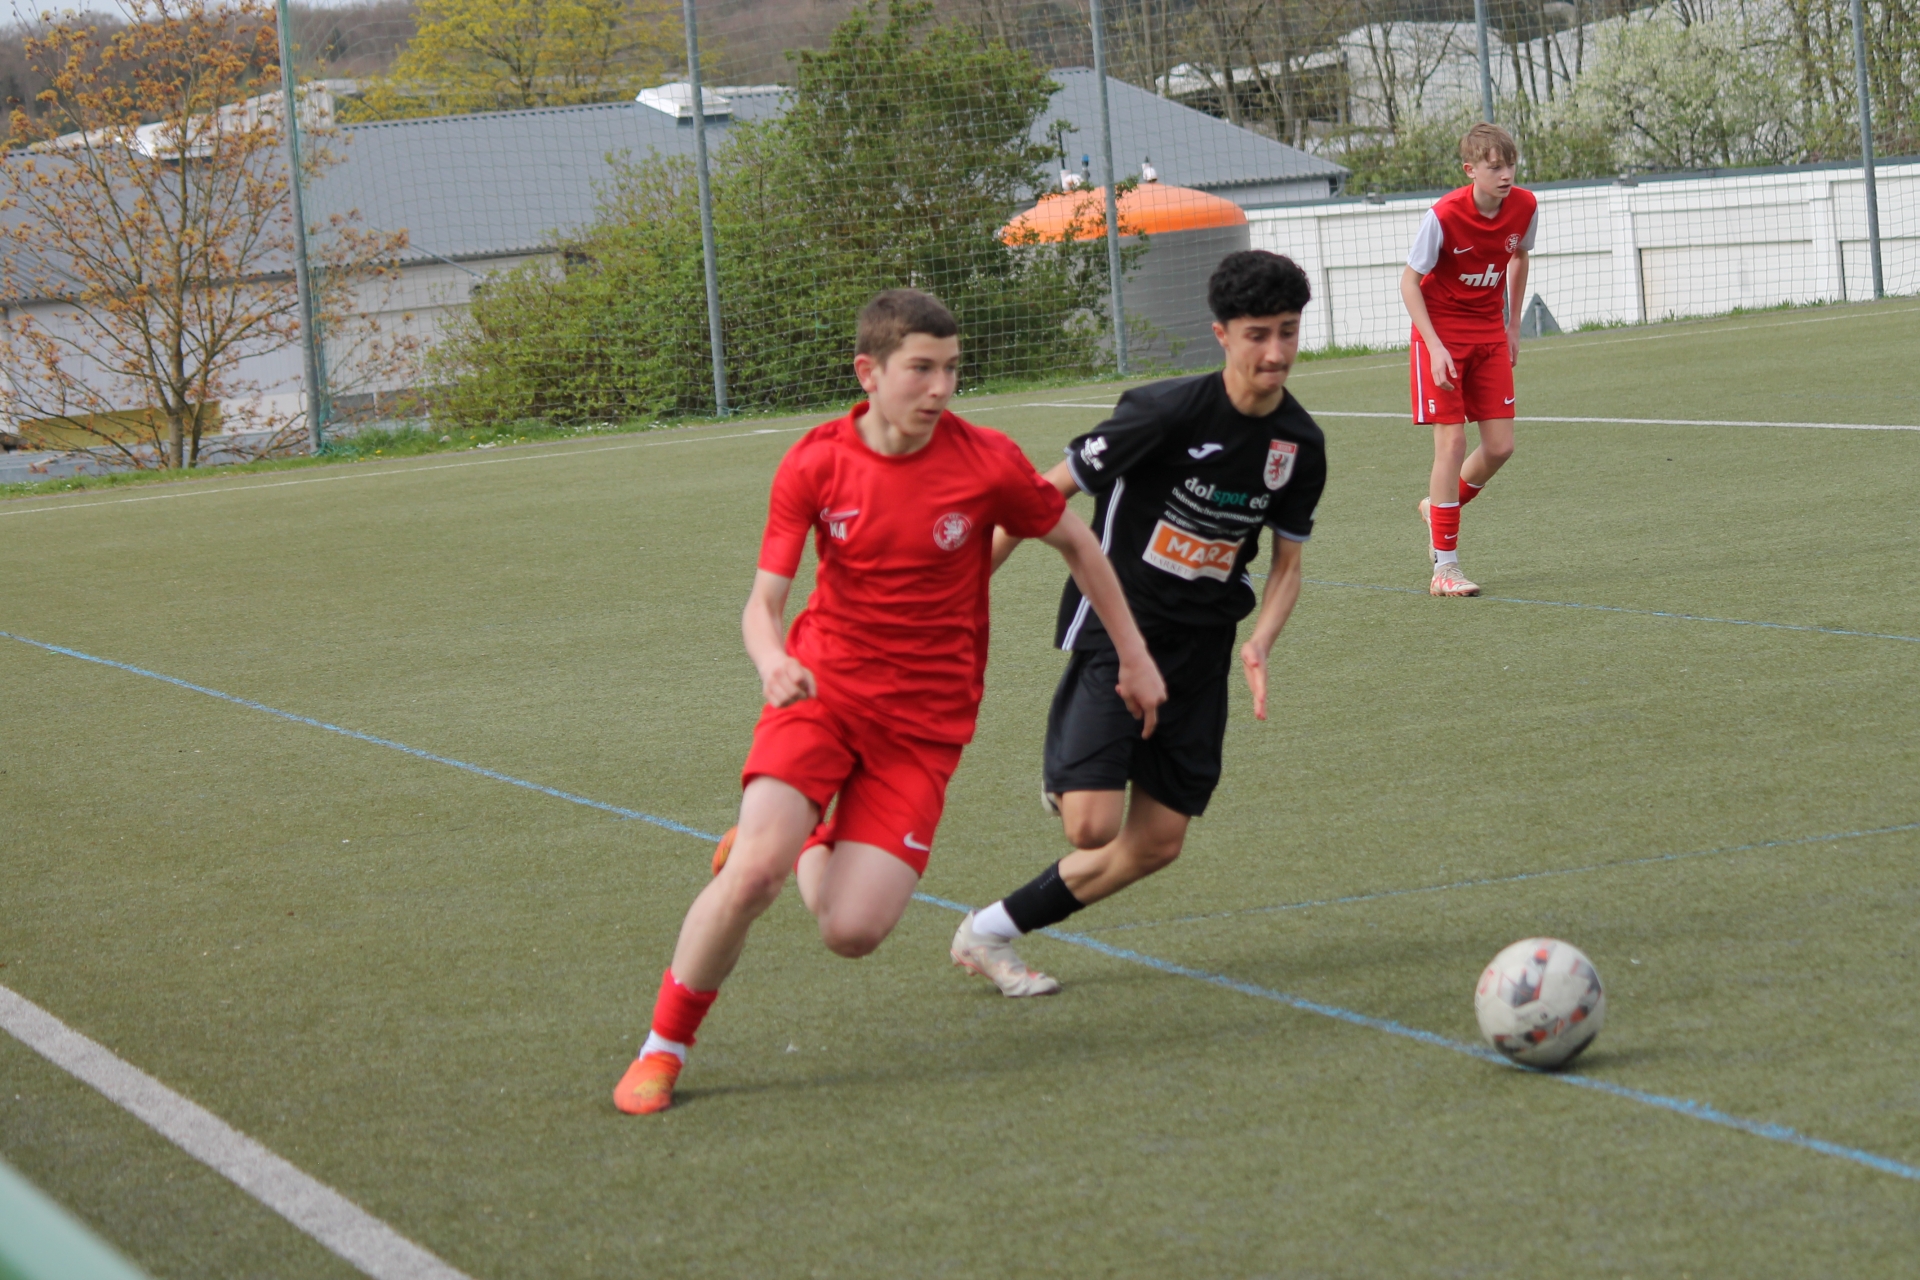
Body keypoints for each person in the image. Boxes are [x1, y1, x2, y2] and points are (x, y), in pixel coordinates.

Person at [613, 289, 1166, 1115]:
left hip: (926, 729)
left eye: (951, 369)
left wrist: (1134, 654)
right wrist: (772, 662)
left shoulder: (985, 461)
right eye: (921, 369)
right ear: (868, 373)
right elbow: (764, 603)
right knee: (754, 876)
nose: (940, 388)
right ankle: (663, 1048)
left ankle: (808, 834)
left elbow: (1077, 543)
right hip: (822, 692)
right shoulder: (815, 461)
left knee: (853, 932)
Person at [949, 251, 1328, 996]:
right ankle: (1074, 768)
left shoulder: (1299, 446)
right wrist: (958, 601)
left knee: (1158, 842)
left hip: (1202, 647)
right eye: (1258, 334)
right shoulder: (1162, 414)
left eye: (1288, 331)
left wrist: (1260, 642)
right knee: (1090, 826)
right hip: (1117, 625)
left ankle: (990, 930)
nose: (1277, 352)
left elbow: (1286, 563)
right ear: (1221, 334)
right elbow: (1038, 499)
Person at [1399, 122, 1538, 597]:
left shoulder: (1524, 206)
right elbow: (1408, 285)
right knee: (1452, 443)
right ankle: (1445, 568)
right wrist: (1435, 347)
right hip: (1441, 335)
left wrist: (1513, 324)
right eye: (1494, 167)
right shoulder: (1442, 216)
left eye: (1510, 165)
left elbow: (1518, 258)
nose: (1505, 175)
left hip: (1489, 334)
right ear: (1470, 170)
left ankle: (1435, 508)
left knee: (1500, 447)